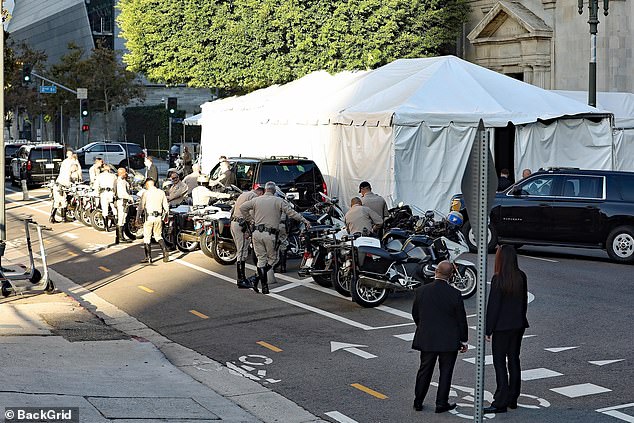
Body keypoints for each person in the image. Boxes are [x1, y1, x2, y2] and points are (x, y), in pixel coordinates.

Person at [412, 261, 468, 414]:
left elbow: (416, 314)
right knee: (446, 372)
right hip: (449, 340)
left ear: (436, 272)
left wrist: (423, 327)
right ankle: (441, 403)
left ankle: (418, 401)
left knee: (425, 369)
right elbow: (461, 319)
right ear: (450, 276)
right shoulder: (455, 294)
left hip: (428, 337)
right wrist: (463, 340)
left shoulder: (422, 291)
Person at [240, 181, 310, 294]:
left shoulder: (257, 200)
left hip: (256, 233)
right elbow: (292, 213)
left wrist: (250, 219)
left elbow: (243, 208)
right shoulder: (278, 201)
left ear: (265, 190)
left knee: (261, 259)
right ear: (274, 191)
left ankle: (262, 285)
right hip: (270, 234)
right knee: (273, 259)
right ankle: (257, 279)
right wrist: (304, 220)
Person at [484, 245, 529, 414]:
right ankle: (513, 398)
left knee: (499, 362)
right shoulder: (521, 276)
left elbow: (493, 307)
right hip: (518, 325)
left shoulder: (498, 279)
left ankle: (500, 400)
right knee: (514, 360)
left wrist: (488, 329)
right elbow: (523, 302)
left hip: (502, 327)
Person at [230, 186, 265, 289]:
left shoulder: (243, 194)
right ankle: (241, 280)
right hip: (242, 225)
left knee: (240, 250)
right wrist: (250, 228)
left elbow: (233, 209)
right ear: (260, 192)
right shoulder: (254, 196)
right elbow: (252, 213)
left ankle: (242, 279)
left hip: (234, 222)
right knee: (242, 252)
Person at [138, 178, 170, 264]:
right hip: (158, 217)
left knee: (147, 237)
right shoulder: (161, 192)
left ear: (147, 185)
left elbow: (141, 207)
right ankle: (165, 251)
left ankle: (148, 257)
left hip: (149, 217)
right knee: (158, 236)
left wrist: (138, 217)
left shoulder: (146, 193)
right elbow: (166, 207)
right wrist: (166, 216)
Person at [113, 167, 133, 245]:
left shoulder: (119, 180)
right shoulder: (120, 182)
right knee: (121, 219)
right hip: (122, 201)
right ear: (121, 173)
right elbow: (123, 193)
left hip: (120, 201)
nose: (126, 174)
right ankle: (120, 237)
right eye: (125, 173)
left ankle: (119, 237)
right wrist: (130, 198)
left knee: (121, 218)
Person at [95, 166, 118, 231]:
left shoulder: (99, 176)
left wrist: (97, 194)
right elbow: (116, 185)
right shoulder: (113, 176)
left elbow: (96, 186)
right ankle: (116, 224)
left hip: (103, 193)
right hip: (111, 193)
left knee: (104, 209)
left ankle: (106, 227)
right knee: (114, 208)